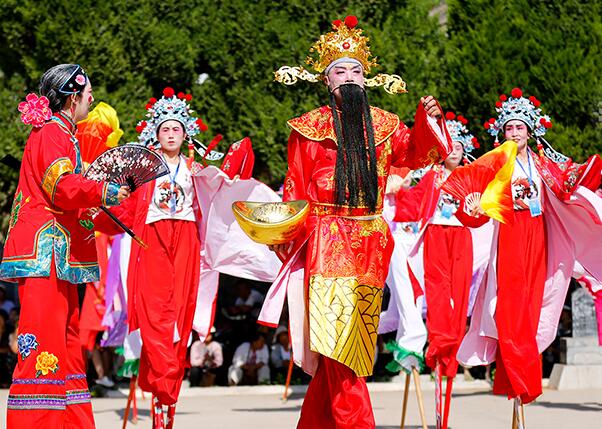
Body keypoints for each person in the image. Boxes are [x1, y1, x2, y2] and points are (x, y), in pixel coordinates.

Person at [260, 16, 451, 428]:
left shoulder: (385, 125)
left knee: (348, 345)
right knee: (338, 345)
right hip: (325, 239)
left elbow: (417, 154)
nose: (350, 77)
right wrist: (286, 240)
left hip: (370, 241)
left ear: (367, 79)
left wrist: (428, 120)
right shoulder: (307, 130)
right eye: (340, 71)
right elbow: (294, 188)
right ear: (327, 81)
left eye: (357, 70)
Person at [457, 88, 602, 422]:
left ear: (530, 130)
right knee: (509, 308)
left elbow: (571, 180)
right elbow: (472, 206)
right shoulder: (492, 163)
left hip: (539, 237)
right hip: (509, 234)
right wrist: (474, 206)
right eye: (509, 128)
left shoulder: (542, 162)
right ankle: (521, 378)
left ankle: (519, 378)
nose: (514, 133)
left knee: (533, 307)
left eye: (520, 127)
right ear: (501, 132)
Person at [0, 64, 129, 429]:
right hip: (45, 254)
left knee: (68, 343)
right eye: (87, 92)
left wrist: (115, 206)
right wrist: (102, 190)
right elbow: (62, 188)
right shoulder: (53, 134)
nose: (92, 97)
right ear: (73, 97)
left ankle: (70, 422)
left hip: (57, 255)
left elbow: (76, 200)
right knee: (43, 341)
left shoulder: (64, 135)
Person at [104, 87, 208, 429]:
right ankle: (163, 382)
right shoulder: (143, 168)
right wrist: (99, 207)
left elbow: (216, 202)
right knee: (154, 315)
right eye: (165, 128)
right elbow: (124, 208)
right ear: (156, 133)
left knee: (180, 312)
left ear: (185, 132)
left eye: (176, 128)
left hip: (186, 241)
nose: (171, 133)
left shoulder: (197, 169)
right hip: (153, 238)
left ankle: (169, 395)